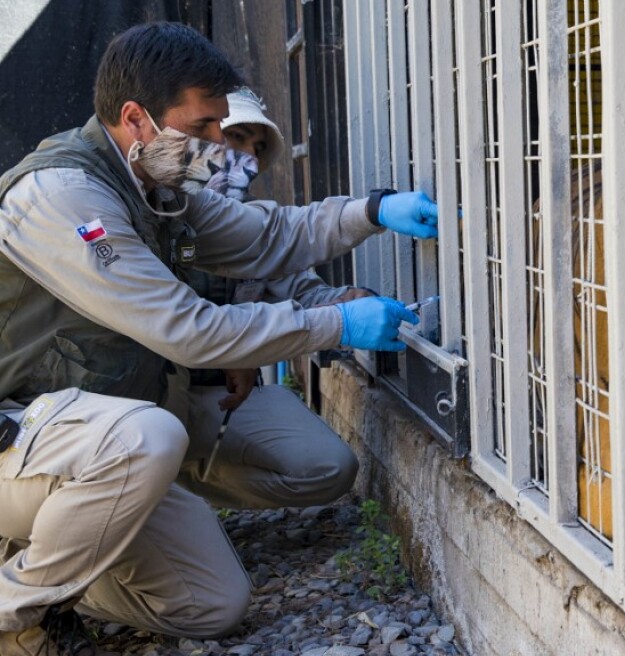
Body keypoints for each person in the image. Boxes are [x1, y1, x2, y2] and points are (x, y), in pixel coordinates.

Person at [0, 22, 441, 655]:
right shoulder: (64, 196)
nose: (217, 146)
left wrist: (372, 211)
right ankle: (15, 612)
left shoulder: (154, 186)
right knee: (147, 437)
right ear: (136, 118)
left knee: (210, 604)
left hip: (95, 432)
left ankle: (63, 551)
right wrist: (335, 325)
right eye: (204, 127)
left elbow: (266, 238)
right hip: (20, 440)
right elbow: (189, 332)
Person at [169, 87, 371, 510]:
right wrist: (233, 344)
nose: (249, 158)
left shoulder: (249, 225)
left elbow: (300, 288)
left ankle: (187, 490)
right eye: (237, 136)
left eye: (257, 148)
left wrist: (349, 304)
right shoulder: (155, 214)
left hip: (217, 398)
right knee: (144, 439)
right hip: (146, 395)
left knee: (329, 467)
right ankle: (154, 496)